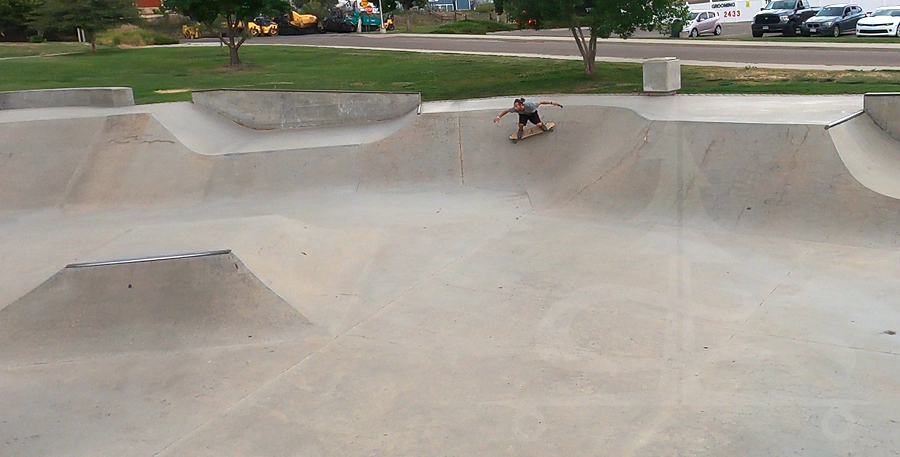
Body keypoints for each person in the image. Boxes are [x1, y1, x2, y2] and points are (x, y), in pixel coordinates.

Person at [493, 98, 563, 139]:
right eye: (514, 106)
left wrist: (552, 102)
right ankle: (520, 130)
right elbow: (506, 111)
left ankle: (541, 125)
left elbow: (541, 102)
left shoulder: (531, 105)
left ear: (521, 105)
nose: (515, 108)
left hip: (532, 114)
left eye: (516, 106)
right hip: (523, 115)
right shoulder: (516, 109)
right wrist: (499, 117)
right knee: (521, 125)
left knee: (538, 124)